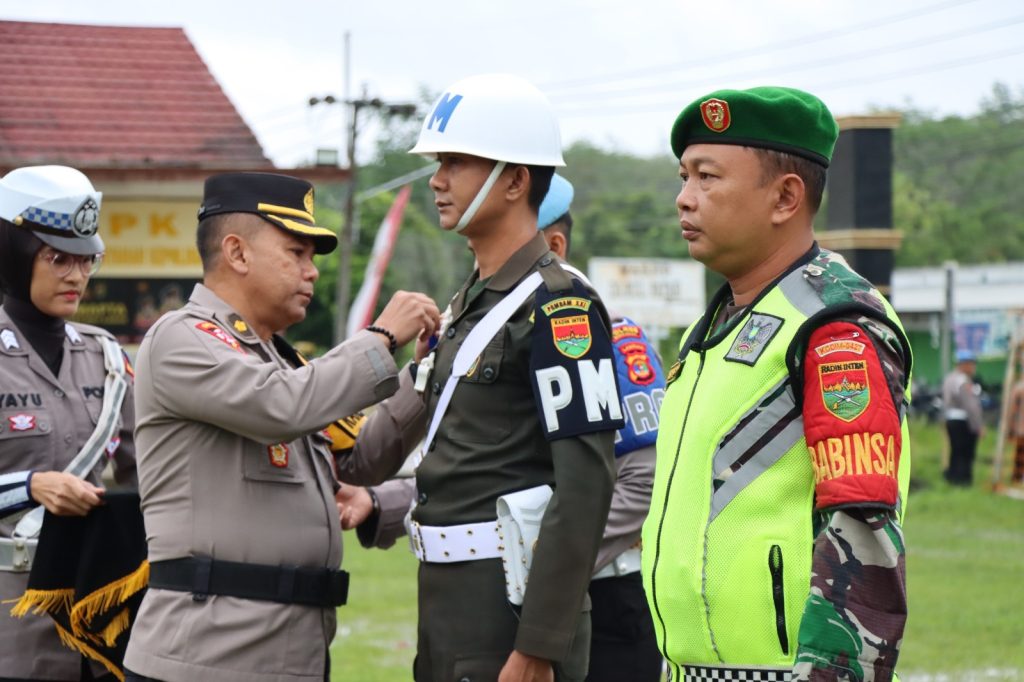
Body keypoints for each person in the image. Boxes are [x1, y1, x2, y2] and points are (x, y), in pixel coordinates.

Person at [346, 73, 621, 682]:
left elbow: (585, 485)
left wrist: (540, 644)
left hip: (511, 613)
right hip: (451, 603)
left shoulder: (560, 307)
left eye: (455, 162)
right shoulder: (471, 303)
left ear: (516, 180)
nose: (437, 180)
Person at [121, 172, 440, 682]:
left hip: (288, 654)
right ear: (237, 253)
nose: (311, 272)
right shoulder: (182, 338)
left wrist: (427, 374)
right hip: (203, 657)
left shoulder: (283, 363)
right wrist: (380, 337)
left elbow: (363, 460)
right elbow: (281, 407)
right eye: (296, 253)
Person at [641, 87, 913, 682]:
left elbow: (862, 530)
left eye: (707, 177)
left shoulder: (834, 324)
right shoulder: (711, 327)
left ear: (786, 197)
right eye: (683, 176)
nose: (683, 199)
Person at [0, 165, 137, 681]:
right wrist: (31, 486)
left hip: (98, 623)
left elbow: (148, 473)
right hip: (10, 627)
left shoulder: (107, 357)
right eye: (57, 258)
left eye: (86, 260)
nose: (76, 276)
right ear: (14, 253)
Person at [942, 349, 984, 486]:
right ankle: (963, 481)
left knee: (955, 451)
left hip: (950, 419)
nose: (973, 367)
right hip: (963, 422)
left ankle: (953, 478)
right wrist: (978, 426)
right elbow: (971, 406)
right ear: (963, 364)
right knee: (965, 453)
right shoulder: (963, 381)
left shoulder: (950, 378)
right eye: (971, 364)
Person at [1008, 373, 1024, 485]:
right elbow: (1013, 409)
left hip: (1021, 428)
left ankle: (1018, 477)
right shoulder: (1020, 388)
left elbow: (1012, 410)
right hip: (1021, 428)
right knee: (1020, 454)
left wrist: (1010, 427)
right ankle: (1018, 477)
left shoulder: (1019, 387)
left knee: (1020, 454)